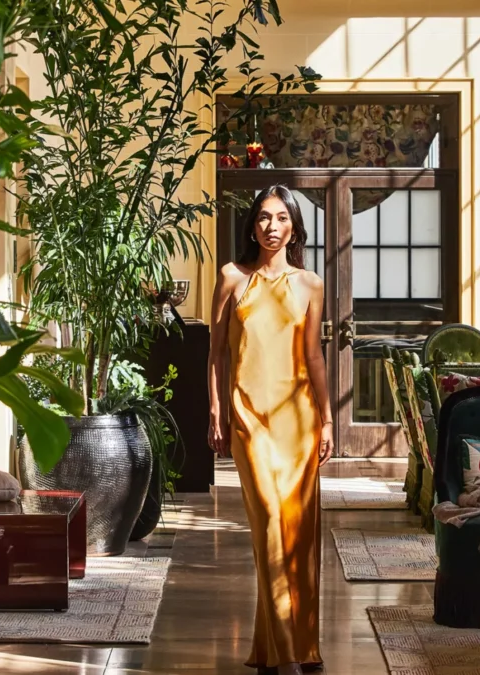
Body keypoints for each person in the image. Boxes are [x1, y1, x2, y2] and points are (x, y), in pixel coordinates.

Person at [207, 185, 333, 674]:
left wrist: (325, 420)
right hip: (247, 416)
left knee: (297, 534)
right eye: (263, 217)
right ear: (252, 225)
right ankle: (287, 659)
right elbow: (216, 351)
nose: (272, 226)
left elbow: (314, 357)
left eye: (281, 218)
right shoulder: (231, 278)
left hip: (299, 420)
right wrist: (216, 409)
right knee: (268, 528)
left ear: (295, 227)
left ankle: (286, 647)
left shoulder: (310, 284)